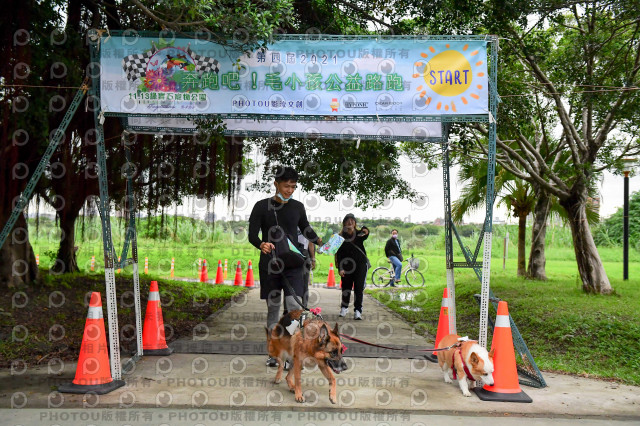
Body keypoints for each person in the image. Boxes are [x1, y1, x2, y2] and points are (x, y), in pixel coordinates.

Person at [248, 166, 322, 367]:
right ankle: (274, 353)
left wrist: (319, 240)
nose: (289, 190)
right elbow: (252, 235)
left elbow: (305, 228)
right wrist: (261, 244)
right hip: (270, 265)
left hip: (293, 265)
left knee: (294, 310)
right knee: (273, 310)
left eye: (293, 186)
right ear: (276, 184)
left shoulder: (297, 207)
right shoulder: (261, 206)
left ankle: (290, 354)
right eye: (286, 186)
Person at [335, 213, 369, 320]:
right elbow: (339, 254)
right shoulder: (340, 237)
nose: (350, 223)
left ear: (355, 223)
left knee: (359, 288)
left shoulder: (360, 235)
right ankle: (344, 307)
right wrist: (340, 268)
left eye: (352, 221)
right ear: (344, 223)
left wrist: (365, 229)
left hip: (360, 265)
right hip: (346, 266)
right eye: (348, 221)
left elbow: (366, 232)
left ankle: (358, 310)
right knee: (346, 287)